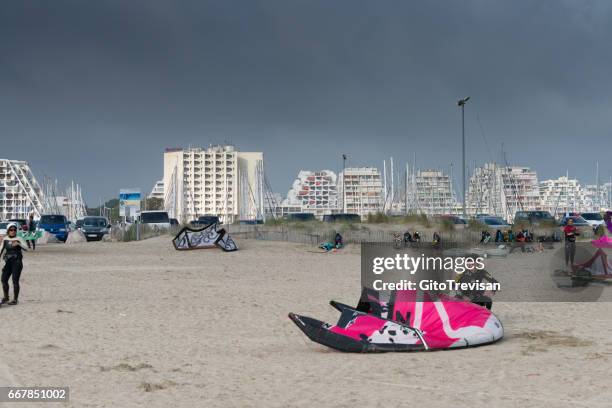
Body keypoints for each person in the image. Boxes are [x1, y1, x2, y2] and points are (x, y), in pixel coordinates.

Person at [0, 223, 28, 306]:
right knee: (3, 279)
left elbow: (26, 248)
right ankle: (6, 297)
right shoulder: (5, 239)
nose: (13, 231)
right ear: (8, 231)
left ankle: (15, 299)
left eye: (14, 230)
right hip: (8, 262)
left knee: (15, 281)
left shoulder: (19, 238)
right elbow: (1, 249)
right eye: (11, 230)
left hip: (17, 262)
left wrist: (19, 244)